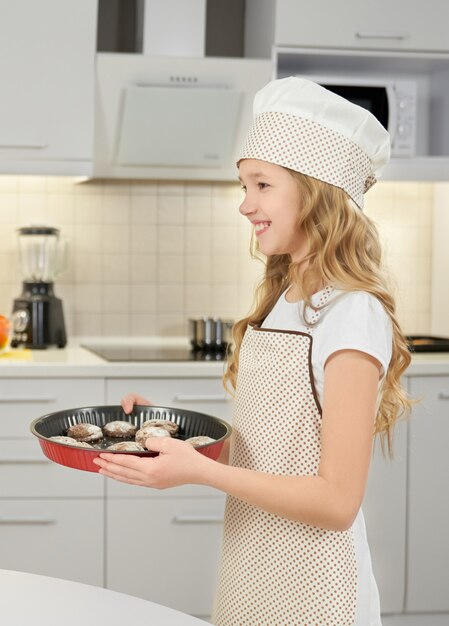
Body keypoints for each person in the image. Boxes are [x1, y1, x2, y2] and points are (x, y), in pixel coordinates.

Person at [93, 76, 412, 625]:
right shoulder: (284, 299)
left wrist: (200, 473)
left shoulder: (352, 313)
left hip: (317, 585)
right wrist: (171, 438)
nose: (245, 204)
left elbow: (337, 503)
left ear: (316, 190)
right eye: (244, 185)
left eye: (261, 184)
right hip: (253, 562)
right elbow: (277, 447)